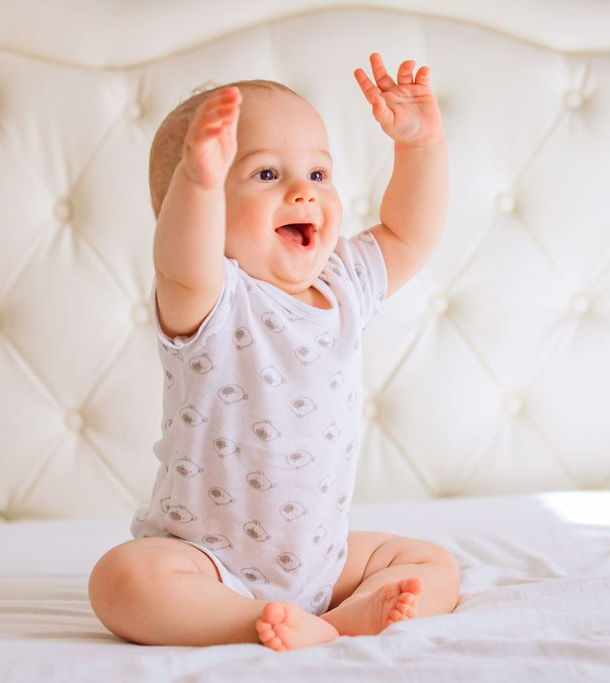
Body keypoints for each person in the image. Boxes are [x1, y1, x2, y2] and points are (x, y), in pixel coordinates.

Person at [89, 53, 460, 651]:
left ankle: (339, 619)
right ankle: (246, 620)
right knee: (123, 580)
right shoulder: (211, 297)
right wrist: (197, 181)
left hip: (321, 559)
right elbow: (180, 261)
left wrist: (422, 146)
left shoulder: (343, 286)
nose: (302, 193)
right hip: (206, 561)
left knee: (432, 563)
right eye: (265, 175)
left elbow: (406, 234)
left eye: (318, 174)